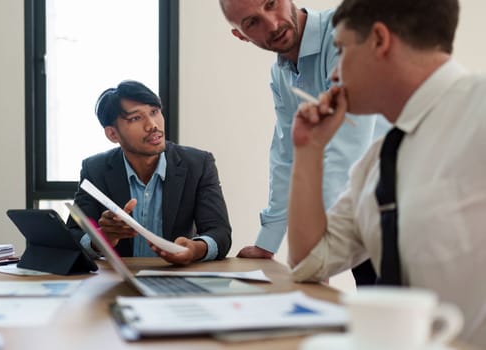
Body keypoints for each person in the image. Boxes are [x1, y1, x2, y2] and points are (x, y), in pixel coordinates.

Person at [287, 0, 485, 345]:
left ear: (379, 40)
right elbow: (308, 263)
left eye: (341, 49)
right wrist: (309, 150)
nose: (335, 74)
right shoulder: (378, 164)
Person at [218, 0, 388, 284]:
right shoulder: (280, 73)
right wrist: (268, 240)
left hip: (395, 212)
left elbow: (345, 150)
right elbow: (286, 154)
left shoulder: (342, 33)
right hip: (361, 218)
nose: (272, 24)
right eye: (252, 23)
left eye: (271, 4)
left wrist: (316, 247)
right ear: (241, 36)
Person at [67, 80, 232, 265]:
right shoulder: (95, 169)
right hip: (118, 281)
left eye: (154, 112)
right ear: (113, 134)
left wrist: (194, 249)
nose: (152, 125)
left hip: (175, 279)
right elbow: (73, 235)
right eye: (136, 118)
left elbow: (220, 233)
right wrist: (102, 238)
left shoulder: (198, 164)